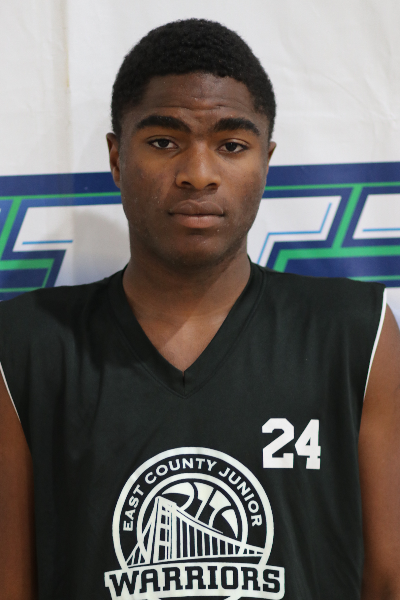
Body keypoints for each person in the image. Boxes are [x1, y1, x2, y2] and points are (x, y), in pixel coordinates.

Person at [0, 18, 399, 600]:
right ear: (116, 158)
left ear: (266, 162)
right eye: (164, 142)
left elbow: (389, 580)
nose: (198, 174)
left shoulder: (356, 334)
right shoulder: (25, 346)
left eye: (231, 145)